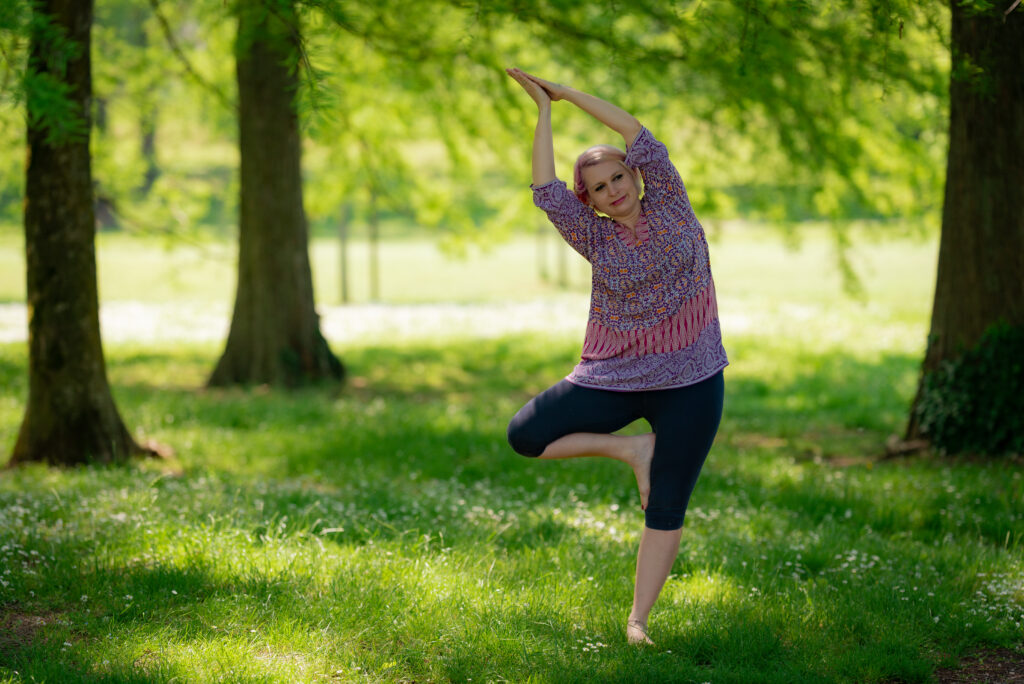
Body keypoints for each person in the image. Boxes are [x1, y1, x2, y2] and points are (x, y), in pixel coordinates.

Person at [504, 67, 728, 646]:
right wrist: (543, 113)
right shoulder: (593, 236)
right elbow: (545, 188)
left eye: (618, 177)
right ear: (592, 202)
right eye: (599, 188)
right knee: (526, 435)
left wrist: (566, 92)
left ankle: (637, 622)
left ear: (635, 174)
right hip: (616, 376)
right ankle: (632, 449)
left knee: (669, 502)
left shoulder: (673, 202)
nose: (613, 190)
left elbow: (634, 128)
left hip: (693, 379)